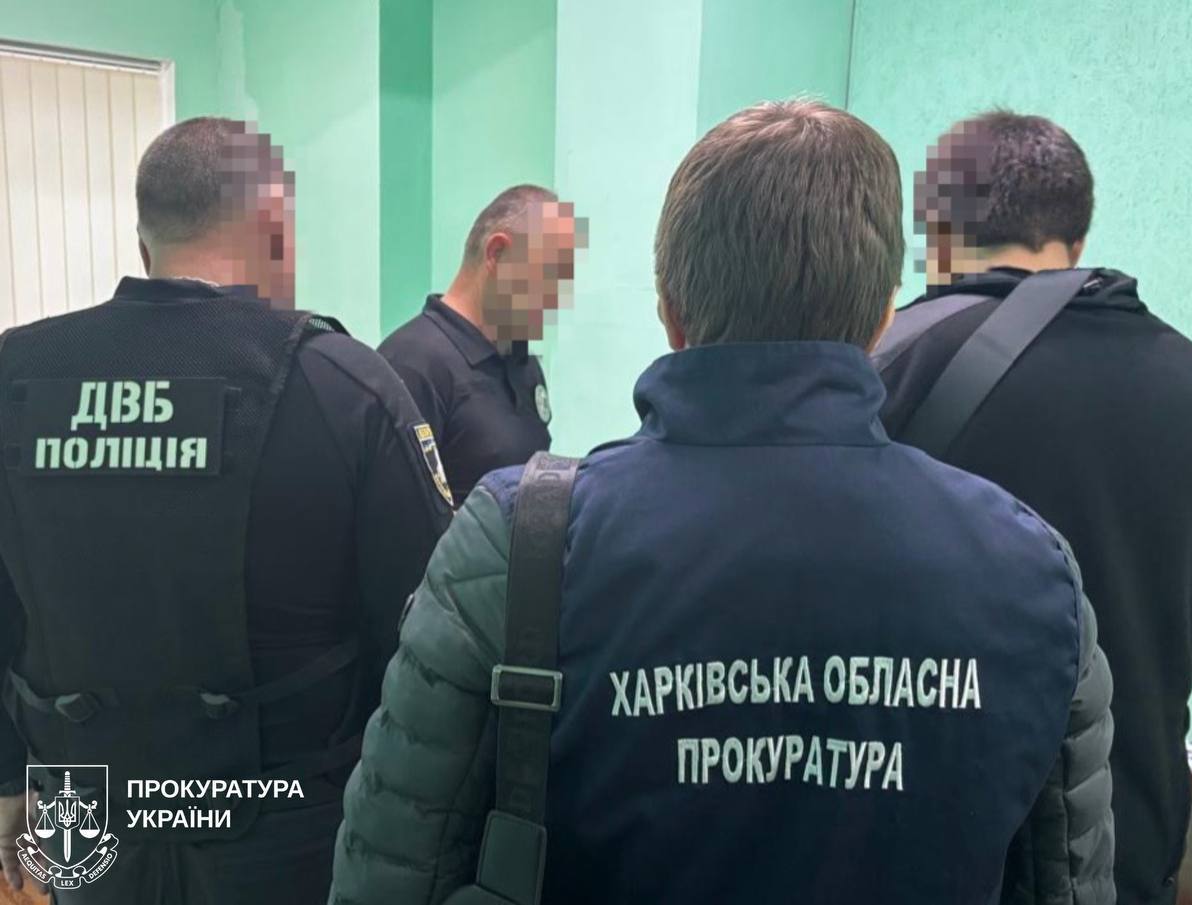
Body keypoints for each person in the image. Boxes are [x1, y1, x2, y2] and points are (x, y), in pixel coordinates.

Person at [330, 100, 1115, 905]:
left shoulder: (521, 543)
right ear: (884, 317)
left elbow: (390, 871)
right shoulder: (1036, 576)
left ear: (669, 311)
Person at [0, 117, 453, 904]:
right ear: (275, 233)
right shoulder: (347, 388)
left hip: (90, 818)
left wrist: (9, 776)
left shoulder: (16, 378)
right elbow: (424, 640)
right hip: (290, 831)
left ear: (144, 248)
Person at [876, 110, 1192, 905]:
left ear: (935, 232)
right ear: (1079, 237)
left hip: (932, 844)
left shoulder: (885, 365)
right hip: (1126, 845)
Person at [378, 185, 581, 506]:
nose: (555, 299)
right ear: (496, 253)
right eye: (548, 275)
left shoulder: (523, 365)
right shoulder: (412, 365)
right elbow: (392, 514)